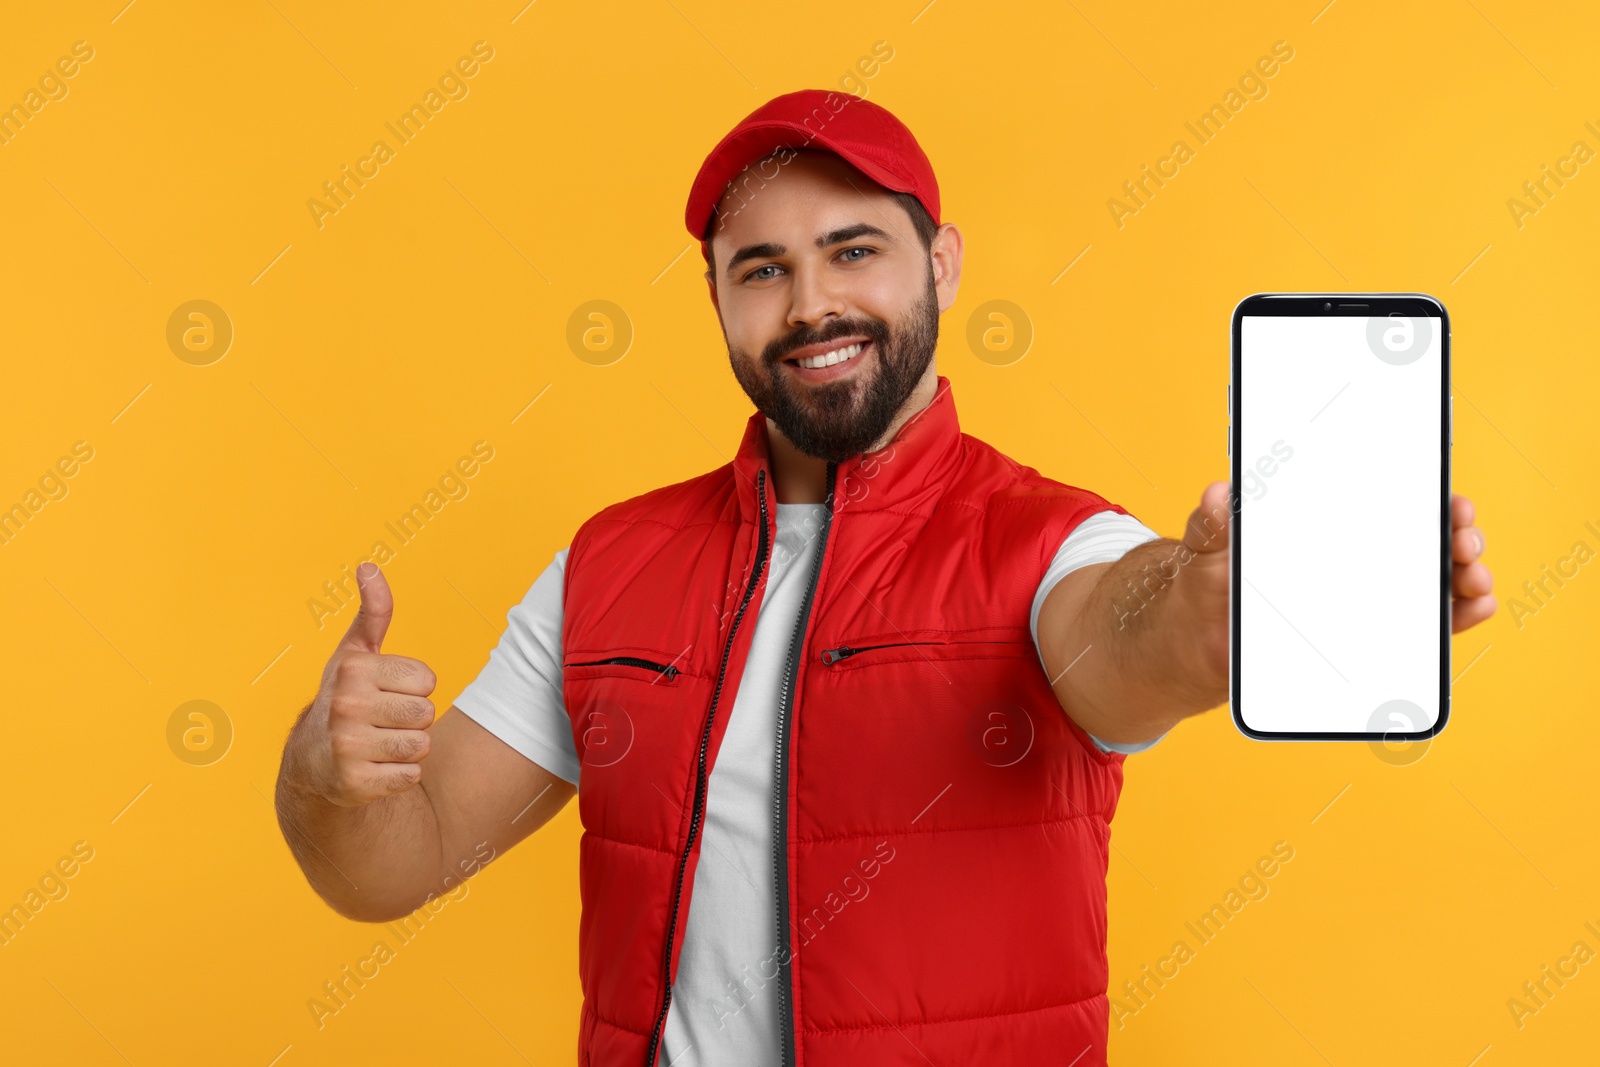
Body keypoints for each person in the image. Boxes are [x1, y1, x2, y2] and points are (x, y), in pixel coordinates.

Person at [273, 89, 1497, 1066]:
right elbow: (397, 862)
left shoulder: (1050, 540)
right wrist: (328, 783)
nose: (812, 305)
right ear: (715, 300)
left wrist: (1211, 612)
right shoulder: (609, 561)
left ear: (942, 263)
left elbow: (1126, 636)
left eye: (852, 249)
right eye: (761, 269)